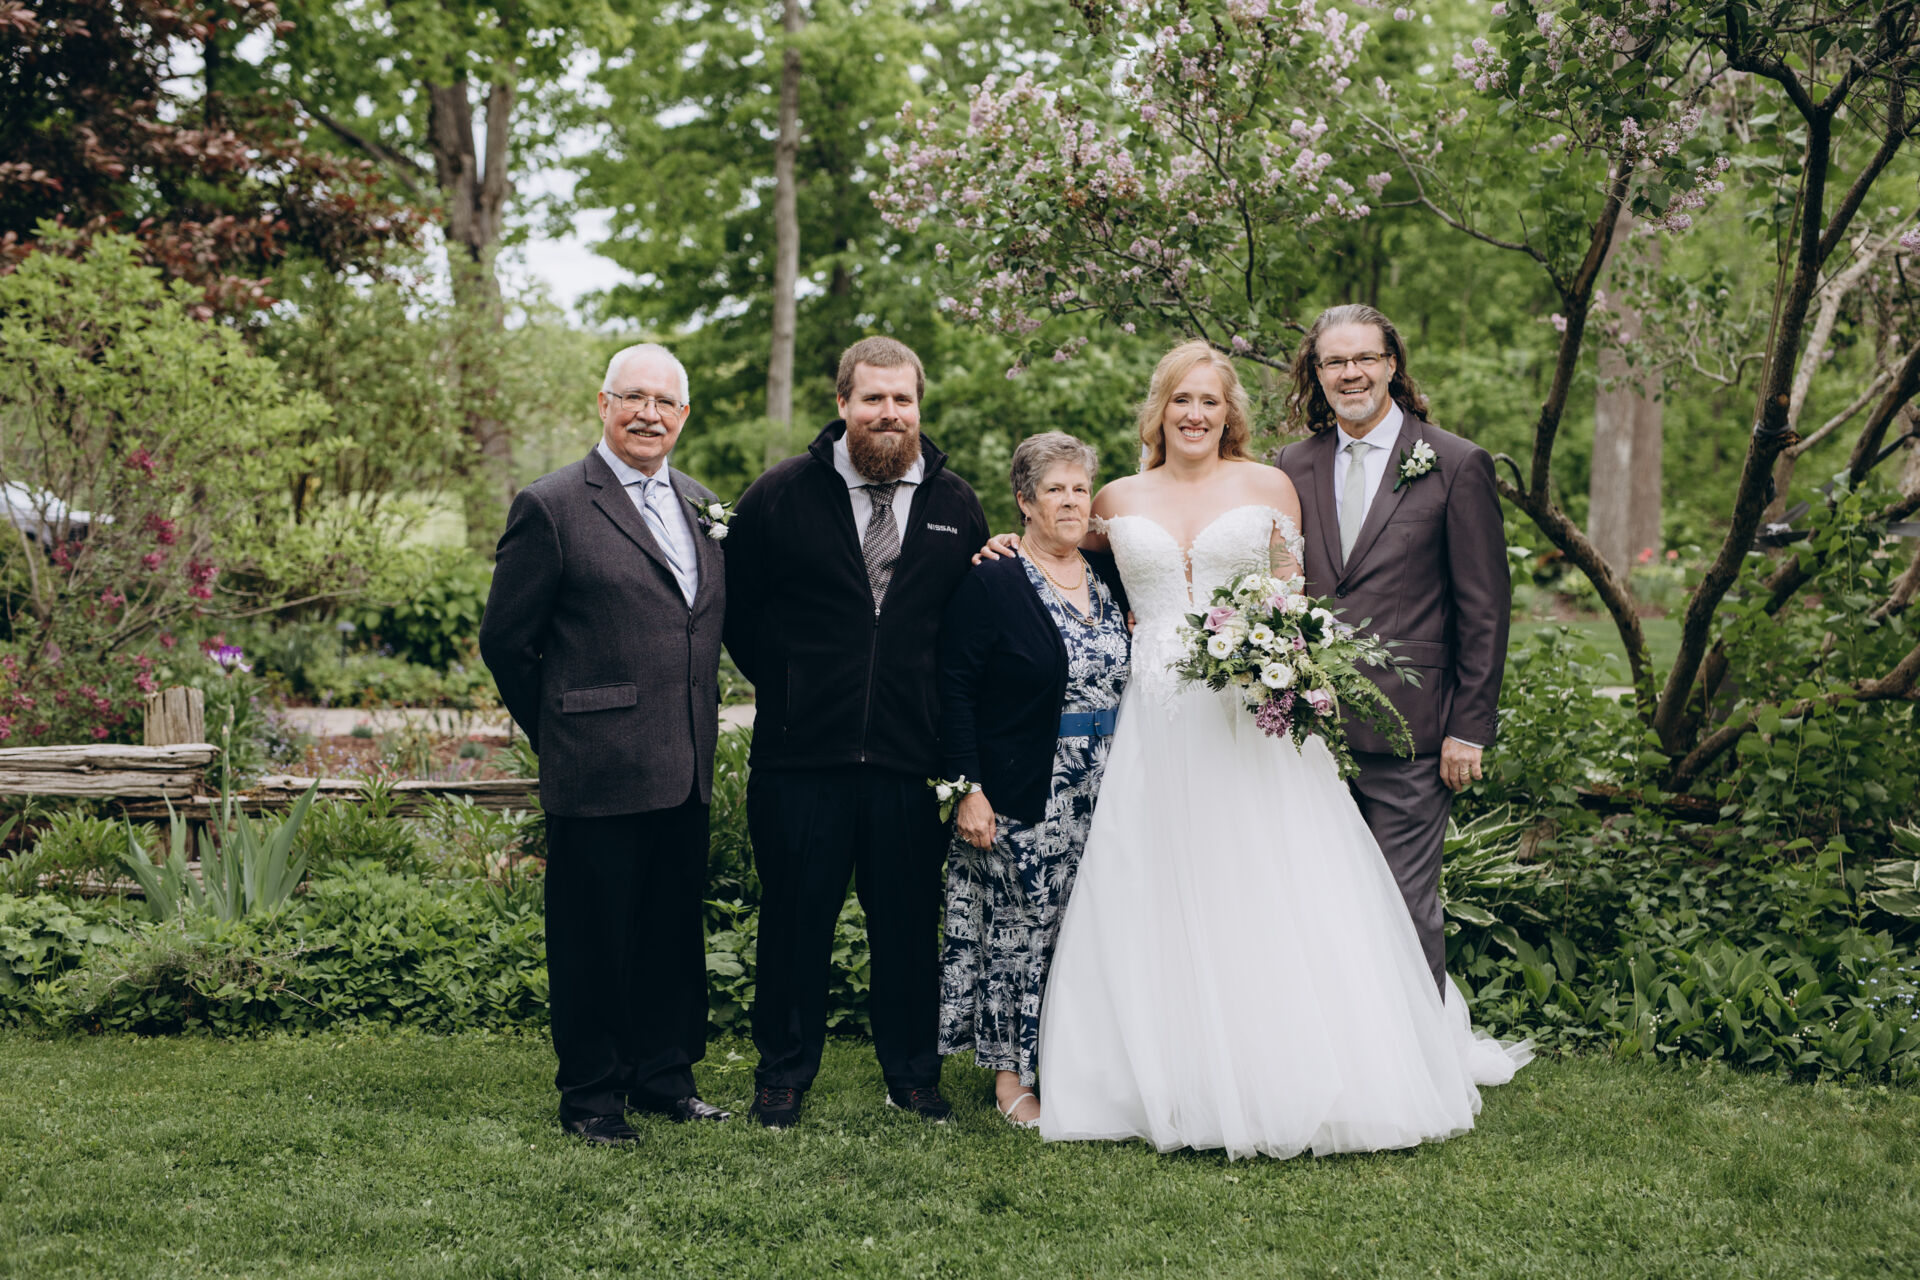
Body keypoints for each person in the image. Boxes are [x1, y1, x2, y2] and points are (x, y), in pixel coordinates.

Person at [993, 338, 1527, 1161]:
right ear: (1159, 410)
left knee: (1266, 884)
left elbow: (1293, 599)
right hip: (1154, 725)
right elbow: (1060, 554)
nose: (1195, 414)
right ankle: (1154, 1074)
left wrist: (1274, 656)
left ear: (1228, 412)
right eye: (1181, 400)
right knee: (1152, 883)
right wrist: (1004, 544)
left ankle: (1289, 1068)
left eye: (1209, 400)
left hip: (1250, 720)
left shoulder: (1269, 486)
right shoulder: (1116, 498)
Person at [723, 336, 989, 1130]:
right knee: (793, 923)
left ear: (918, 406)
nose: (889, 413)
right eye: (873, 398)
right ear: (842, 403)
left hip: (911, 760)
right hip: (800, 757)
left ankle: (913, 1076)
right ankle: (781, 1076)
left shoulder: (955, 505)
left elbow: (967, 628)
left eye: (902, 399)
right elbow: (738, 611)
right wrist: (796, 685)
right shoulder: (778, 496)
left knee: (906, 927)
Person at [479, 342, 731, 1146]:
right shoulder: (552, 505)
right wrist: (563, 730)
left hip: (684, 762)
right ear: (604, 404)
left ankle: (665, 1077)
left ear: (683, 415)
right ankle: (592, 1095)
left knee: (670, 933)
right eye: (633, 398)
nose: (648, 415)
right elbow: (506, 642)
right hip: (595, 767)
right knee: (593, 939)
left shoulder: (702, 503)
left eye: (664, 402)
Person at [1275, 303, 1511, 993]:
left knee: (1403, 911)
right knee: (1315, 909)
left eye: (1364, 358)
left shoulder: (1455, 463)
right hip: (1307, 733)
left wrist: (1470, 728)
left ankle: (1422, 1048)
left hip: (1412, 733)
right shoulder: (1291, 466)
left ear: (1391, 365)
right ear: (1317, 373)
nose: (1350, 373)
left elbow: (1484, 608)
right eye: (1334, 361)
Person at [936, 432, 1131, 1129]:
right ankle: (1010, 1079)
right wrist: (969, 788)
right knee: (1021, 935)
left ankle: (1076, 1063)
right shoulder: (994, 580)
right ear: (1024, 500)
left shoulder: (1107, 578)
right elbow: (954, 689)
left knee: (1089, 929)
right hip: (1028, 787)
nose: (1072, 501)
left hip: (1110, 784)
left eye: (1080, 488)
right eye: (1055, 489)